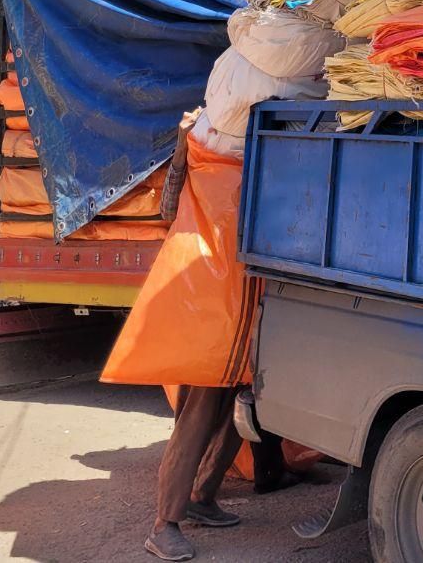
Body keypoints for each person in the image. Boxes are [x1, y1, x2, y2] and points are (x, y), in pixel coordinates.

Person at [145, 111, 302, 561]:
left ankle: (202, 497)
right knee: (198, 411)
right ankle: (164, 523)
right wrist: (181, 149)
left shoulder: (250, 151)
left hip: (248, 304)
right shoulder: (205, 150)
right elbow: (168, 209)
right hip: (210, 305)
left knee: (240, 405)